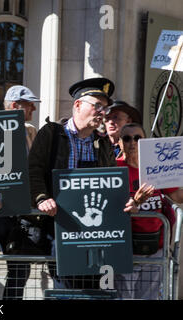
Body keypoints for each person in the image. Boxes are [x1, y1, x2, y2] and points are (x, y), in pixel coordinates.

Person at [28, 77, 139, 289]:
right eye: (97, 105)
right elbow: (33, 170)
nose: (102, 112)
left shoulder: (103, 143)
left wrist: (128, 202)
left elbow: (110, 184)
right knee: (67, 288)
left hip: (96, 234)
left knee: (94, 289)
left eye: (105, 108)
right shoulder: (52, 134)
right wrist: (42, 198)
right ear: (78, 105)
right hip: (61, 228)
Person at [0, 85, 40, 300]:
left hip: (19, 213)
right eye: (29, 105)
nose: (33, 109)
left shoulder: (30, 132)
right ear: (14, 106)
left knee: (20, 270)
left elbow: (30, 172)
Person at [114, 122, 183, 299]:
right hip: (126, 249)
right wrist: (134, 201)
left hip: (156, 248)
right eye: (127, 138)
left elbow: (177, 197)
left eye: (138, 138)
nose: (132, 142)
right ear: (119, 143)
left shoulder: (155, 167)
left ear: (145, 142)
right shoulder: (114, 168)